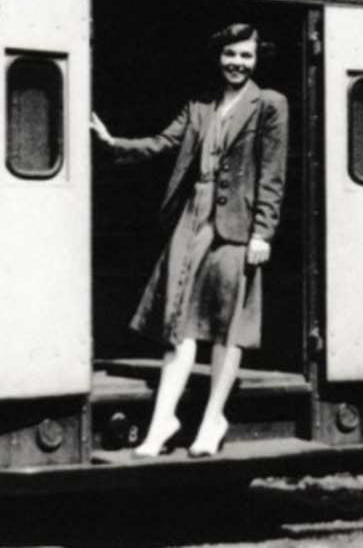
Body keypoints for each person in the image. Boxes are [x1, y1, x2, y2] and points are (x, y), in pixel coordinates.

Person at [91, 23, 288, 458]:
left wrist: (263, 232)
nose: (237, 63)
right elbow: (163, 144)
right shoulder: (199, 105)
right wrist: (111, 143)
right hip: (192, 220)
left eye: (246, 56)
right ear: (218, 56)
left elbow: (273, 175)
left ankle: (213, 419)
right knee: (178, 326)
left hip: (238, 229)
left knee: (226, 329)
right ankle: (163, 422)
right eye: (230, 54)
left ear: (256, 59)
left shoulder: (270, 105)